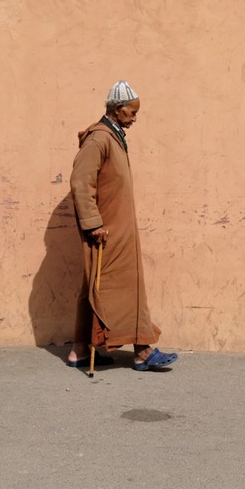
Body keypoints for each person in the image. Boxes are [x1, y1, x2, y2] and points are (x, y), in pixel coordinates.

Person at [66, 80, 177, 371]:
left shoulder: (113, 136)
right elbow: (81, 182)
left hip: (117, 227)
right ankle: (142, 350)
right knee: (126, 287)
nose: (135, 117)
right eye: (132, 112)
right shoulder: (99, 139)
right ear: (118, 110)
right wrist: (93, 224)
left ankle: (80, 349)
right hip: (106, 230)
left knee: (95, 287)